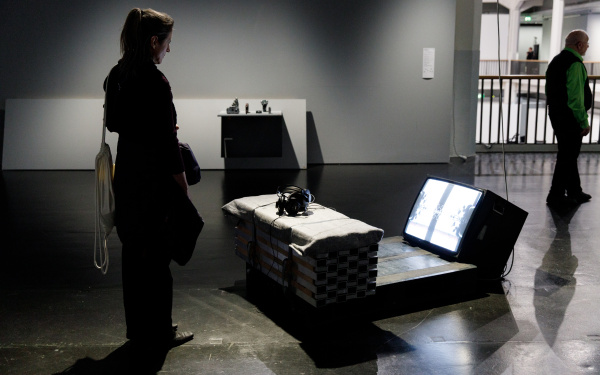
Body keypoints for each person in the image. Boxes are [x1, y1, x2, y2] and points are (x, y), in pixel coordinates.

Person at [104, 8, 194, 349]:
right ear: (154, 41)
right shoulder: (156, 82)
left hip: (126, 177)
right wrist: (181, 183)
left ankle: (137, 330)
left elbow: (114, 123)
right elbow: (168, 145)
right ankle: (160, 332)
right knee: (158, 259)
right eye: (167, 43)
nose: (168, 51)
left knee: (133, 256)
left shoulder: (117, 75)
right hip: (154, 183)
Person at [545, 29, 592, 208]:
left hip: (556, 114)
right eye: (586, 43)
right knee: (568, 155)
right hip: (570, 117)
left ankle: (575, 190)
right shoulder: (575, 64)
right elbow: (576, 99)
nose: (587, 46)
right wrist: (583, 121)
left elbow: (549, 90)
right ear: (579, 45)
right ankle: (555, 194)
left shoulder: (556, 61)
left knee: (568, 154)